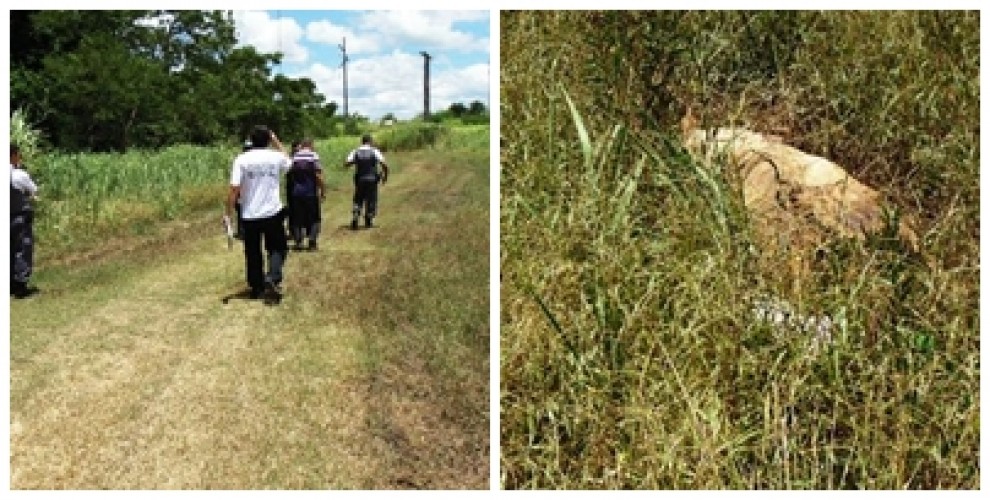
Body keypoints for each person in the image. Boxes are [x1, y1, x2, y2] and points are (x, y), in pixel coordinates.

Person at [225, 126, 292, 301]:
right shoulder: (276, 157)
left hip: (249, 214)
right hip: (272, 212)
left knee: (253, 251)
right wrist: (276, 142)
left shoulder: (242, 159)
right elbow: (289, 162)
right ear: (268, 139)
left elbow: (234, 188)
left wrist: (228, 214)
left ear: (250, 140)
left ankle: (256, 287)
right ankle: (273, 277)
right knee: (278, 247)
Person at [10, 144, 40, 299]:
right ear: (13, 155)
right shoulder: (18, 174)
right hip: (19, 218)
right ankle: (20, 285)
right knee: (22, 249)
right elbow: (34, 191)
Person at [344, 134, 389, 230]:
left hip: (359, 179)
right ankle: (368, 219)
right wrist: (385, 176)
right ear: (370, 141)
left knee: (358, 198)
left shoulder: (355, 151)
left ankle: (356, 214)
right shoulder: (375, 151)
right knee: (371, 199)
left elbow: (346, 163)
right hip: (372, 179)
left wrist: (355, 162)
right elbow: (384, 165)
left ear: (362, 142)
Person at [288, 138, 325, 250]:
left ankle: (298, 242)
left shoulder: (294, 157)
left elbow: (290, 173)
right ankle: (312, 241)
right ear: (310, 145)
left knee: (297, 218)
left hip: (296, 193)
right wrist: (322, 189)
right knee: (314, 218)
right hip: (310, 193)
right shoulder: (313, 156)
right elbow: (318, 175)